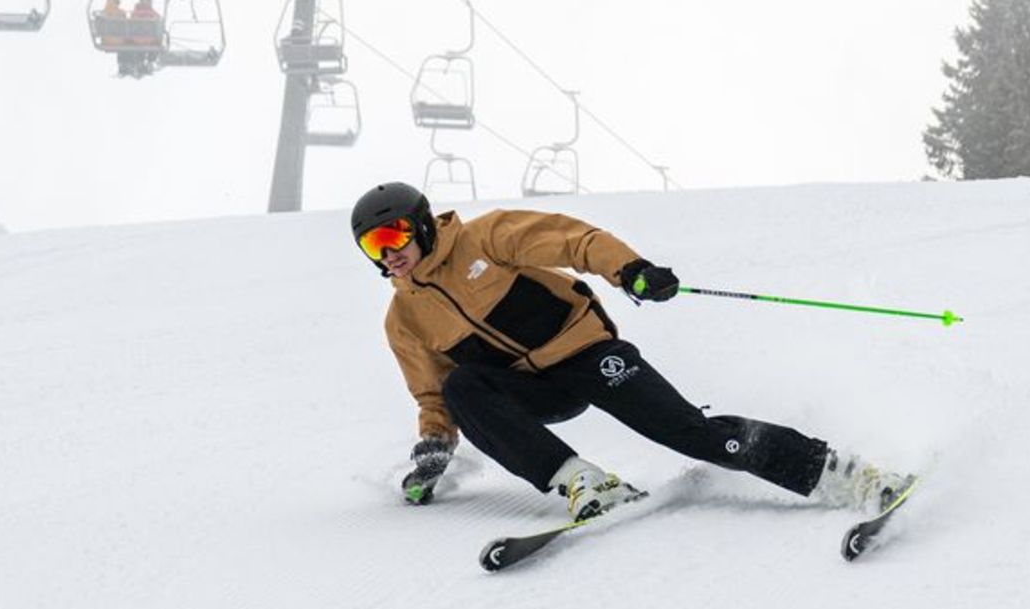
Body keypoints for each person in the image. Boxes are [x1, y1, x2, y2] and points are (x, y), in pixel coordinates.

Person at [352, 182, 907, 522]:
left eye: (394, 235)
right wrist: (433, 447)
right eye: (374, 245)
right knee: (460, 387)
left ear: (422, 224)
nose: (389, 252)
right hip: (532, 390)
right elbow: (432, 393)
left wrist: (630, 270)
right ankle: (582, 482)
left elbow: (573, 240)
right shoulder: (404, 319)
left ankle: (847, 476)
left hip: (586, 352)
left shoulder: (485, 236)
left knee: (690, 432)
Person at [127, 0, 162, 77]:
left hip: (136, 41)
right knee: (155, 42)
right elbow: (159, 23)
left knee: (137, 43)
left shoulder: (134, 13)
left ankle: (139, 62)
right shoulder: (153, 13)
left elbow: (130, 25)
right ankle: (150, 61)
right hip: (150, 41)